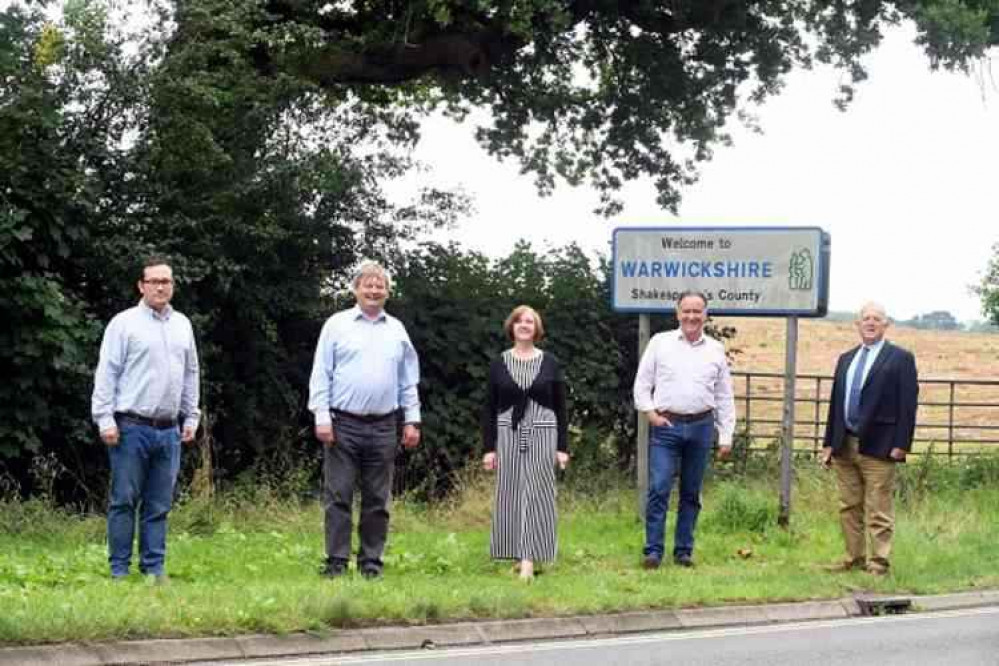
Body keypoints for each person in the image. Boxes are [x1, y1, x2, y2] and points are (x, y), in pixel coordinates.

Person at [308, 260, 421, 579]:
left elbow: (407, 380)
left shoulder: (397, 330)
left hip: (385, 424)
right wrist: (321, 416)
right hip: (342, 423)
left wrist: (412, 420)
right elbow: (321, 373)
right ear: (355, 289)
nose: (374, 290)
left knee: (377, 500)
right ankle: (336, 562)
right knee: (338, 496)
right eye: (368, 284)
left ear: (387, 291)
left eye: (380, 285)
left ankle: (371, 562)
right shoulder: (336, 325)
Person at [91, 257, 201, 582]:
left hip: (169, 430)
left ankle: (154, 569)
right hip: (130, 427)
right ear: (141, 286)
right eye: (153, 281)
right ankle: (119, 571)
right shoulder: (123, 324)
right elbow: (107, 372)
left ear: (173, 286)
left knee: (159, 504)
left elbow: (191, 372)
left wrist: (191, 415)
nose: (160, 287)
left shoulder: (183, 324)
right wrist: (104, 418)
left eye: (166, 281)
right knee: (124, 500)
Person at [633, 290, 735, 569]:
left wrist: (725, 435)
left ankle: (683, 551)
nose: (691, 316)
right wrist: (651, 415)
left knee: (691, 492)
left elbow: (725, 395)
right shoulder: (660, 343)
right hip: (667, 426)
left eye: (697, 311)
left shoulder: (715, 349)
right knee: (659, 486)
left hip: (701, 426)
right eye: (686, 311)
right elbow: (642, 384)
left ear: (705, 315)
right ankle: (653, 550)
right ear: (678, 313)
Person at [821, 302, 918, 576]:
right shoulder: (846, 358)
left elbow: (907, 404)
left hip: (880, 444)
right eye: (866, 319)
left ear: (886, 325)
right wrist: (829, 442)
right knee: (848, 505)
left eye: (877, 319)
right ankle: (854, 558)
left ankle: (879, 563)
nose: (871, 323)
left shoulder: (900, 358)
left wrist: (902, 444)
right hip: (845, 443)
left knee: (878, 507)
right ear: (858, 324)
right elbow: (835, 403)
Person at [482, 305, 569, 581]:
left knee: (537, 492)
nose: (524, 325)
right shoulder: (499, 363)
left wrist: (562, 447)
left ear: (536, 328)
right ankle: (517, 555)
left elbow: (561, 407)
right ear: (512, 327)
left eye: (529, 321)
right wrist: (489, 448)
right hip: (508, 431)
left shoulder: (550, 362)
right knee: (511, 492)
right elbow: (489, 408)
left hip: (544, 430)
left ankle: (530, 560)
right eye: (519, 321)